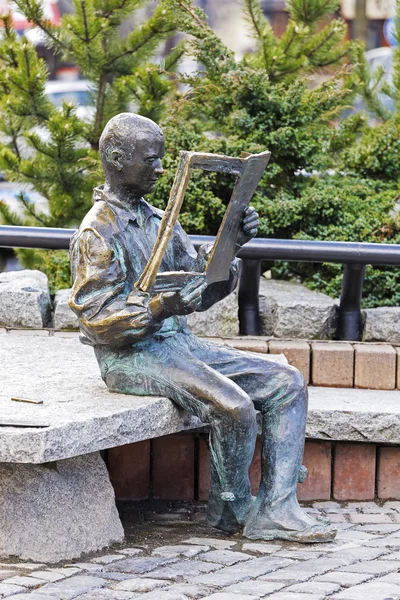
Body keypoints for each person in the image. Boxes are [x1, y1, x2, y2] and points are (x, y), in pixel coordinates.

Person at [69, 112, 335, 542]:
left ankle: (278, 507)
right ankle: (231, 511)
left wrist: (230, 246)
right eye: (150, 160)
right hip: (131, 355)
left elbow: (198, 286)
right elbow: (98, 322)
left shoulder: (159, 220)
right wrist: (157, 308)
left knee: (287, 382)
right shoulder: (97, 232)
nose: (160, 169)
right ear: (117, 160)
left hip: (178, 344)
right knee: (233, 405)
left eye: (161, 160)